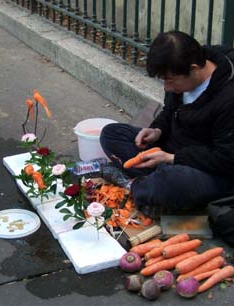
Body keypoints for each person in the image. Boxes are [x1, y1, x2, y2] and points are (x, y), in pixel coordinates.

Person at [100, 30, 234, 212]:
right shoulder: (180, 68)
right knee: (111, 134)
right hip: (171, 152)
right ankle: (154, 186)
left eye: (170, 81)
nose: (166, 87)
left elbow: (226, 158)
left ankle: (137, 186)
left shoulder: (228, 98)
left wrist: (172, 158)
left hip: (208, 170)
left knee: (173, 182)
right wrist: (157, 130)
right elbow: (170, 111)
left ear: (194, 69)